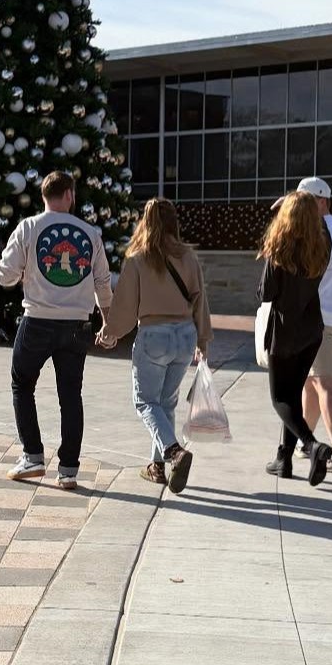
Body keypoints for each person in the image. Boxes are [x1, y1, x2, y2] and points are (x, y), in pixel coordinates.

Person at [0, 171, 112, 491]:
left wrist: (17, 273)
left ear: (44, 195)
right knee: (71, 395)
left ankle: (33, 455)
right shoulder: (90, 233)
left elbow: (5, 276)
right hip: (77, 323)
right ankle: (69, 469)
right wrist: (108, 322)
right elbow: (103, 281)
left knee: (22, 385)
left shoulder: (29, 227)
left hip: (37, 320)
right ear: (70, 195)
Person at [96, 198, 211, 495]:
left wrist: (110, 333)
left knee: (146, 402)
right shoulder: (188, 257)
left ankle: (173, 453)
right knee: (165, 403)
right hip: (185, 334)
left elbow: (124, 305)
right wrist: (203, 340)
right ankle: (156, 466)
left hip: (153, 335)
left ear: (144, 222)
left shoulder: (137, 259)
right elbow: (201, 300)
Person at [258, 191, 332, 486]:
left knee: (280, 398)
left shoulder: (279, 249)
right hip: (311, 329)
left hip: (284, 331)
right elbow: (322, 229)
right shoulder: (321, 246)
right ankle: (284, 459)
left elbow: (264, 293)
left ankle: (312, 444)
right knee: (293, 397)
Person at [290, 178, 332, 475]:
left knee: (326, 384)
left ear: (320, 201)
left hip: (322, 319)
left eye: (304, 200)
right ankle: (304, 441)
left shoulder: (317, 232)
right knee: (312, 382)